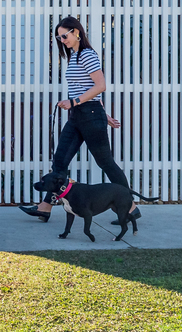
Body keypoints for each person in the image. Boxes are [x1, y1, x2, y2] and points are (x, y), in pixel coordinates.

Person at [18, 16, 139, 223]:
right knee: (60, 160)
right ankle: (44, 207)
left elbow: (100, 86)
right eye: (58, 37)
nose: (61, 40)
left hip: (88, 114)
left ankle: (130, 207)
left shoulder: (87, 55)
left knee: (106, 163)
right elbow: (88, 89)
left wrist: (76, 102)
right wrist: (104, 114)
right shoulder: (73, 56)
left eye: (64, 35)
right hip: (80, 116)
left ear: (76, 32)